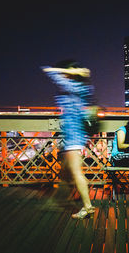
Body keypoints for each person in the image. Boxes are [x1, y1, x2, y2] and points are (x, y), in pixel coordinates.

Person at [42, 59, 95, 219]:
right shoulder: (83, 88)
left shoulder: (73, 86)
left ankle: (87, 206)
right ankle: (61, 198)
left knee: (77, 173)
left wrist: (67, 71)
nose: (64, 74)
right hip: (76, 134)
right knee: (67, 172)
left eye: (67, 72)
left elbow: (49, 71)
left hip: (73, 136)